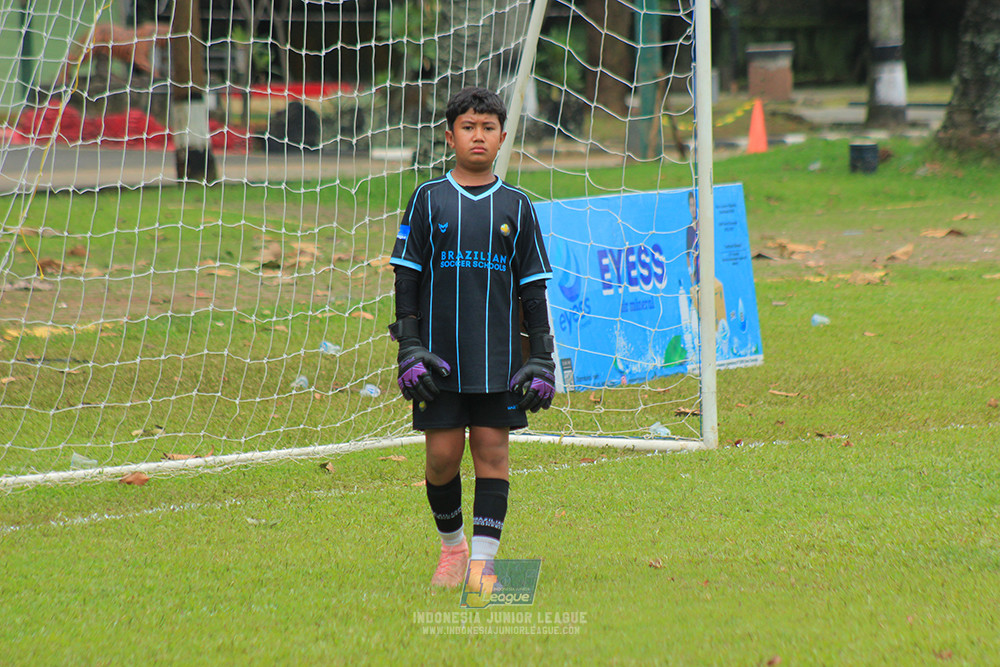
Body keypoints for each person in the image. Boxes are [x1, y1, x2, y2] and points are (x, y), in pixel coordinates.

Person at [389, 87, 556, 588]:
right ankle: (452, 549)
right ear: (450, 136)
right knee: (440, 459)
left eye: (487, 128)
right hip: (440, 359)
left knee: (492, 453)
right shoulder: (427, 198)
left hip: (498, 360)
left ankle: (482, 566)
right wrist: (409, 345)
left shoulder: (518, 206)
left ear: (503, 138)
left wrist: (543, 356)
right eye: (468, 127)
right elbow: (407, 277)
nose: (477, 136)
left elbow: (532, 288)